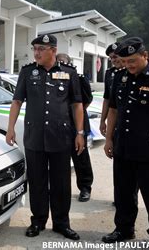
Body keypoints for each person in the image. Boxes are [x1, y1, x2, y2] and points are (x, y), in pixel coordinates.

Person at [6, 34, 84, 241]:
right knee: (38, 181)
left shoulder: (69, 73)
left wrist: (80, 132)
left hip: (60, 137)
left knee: (61, 182)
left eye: (42, 48)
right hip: (35, 137)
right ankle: (38, 221)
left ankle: (61, 223)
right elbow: (17, 102)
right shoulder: (27, 72)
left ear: (53, 50)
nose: (37, 53)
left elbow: (77, 104)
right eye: (35, 49)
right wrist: (10, 128)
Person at [103, 37, 149, 249]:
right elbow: (114, 109)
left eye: (132, 61)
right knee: (123, 192)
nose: (128, 66)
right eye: (124, 62)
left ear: (146, 56)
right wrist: (109, 139)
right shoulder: (119, 77)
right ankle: (124, 229)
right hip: (123, 145)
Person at [56, 53, 94, 202]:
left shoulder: (79, 78)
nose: (61, 65)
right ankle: (61, 189)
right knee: (59, 158)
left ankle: (85, 187)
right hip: (59, 124)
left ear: (70, 64)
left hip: (77, 123)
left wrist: (75, 111)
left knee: (81, 157)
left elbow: (87, 99)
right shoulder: (52, 77)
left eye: (64, 62)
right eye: (58, 62)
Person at [100, 42, 124, 136]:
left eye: (115, 57)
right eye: (111, 58)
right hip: (113, 118)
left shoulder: (133, 72)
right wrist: (102, 121)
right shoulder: (110, 73)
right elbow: (107, 99)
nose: (113, 60)